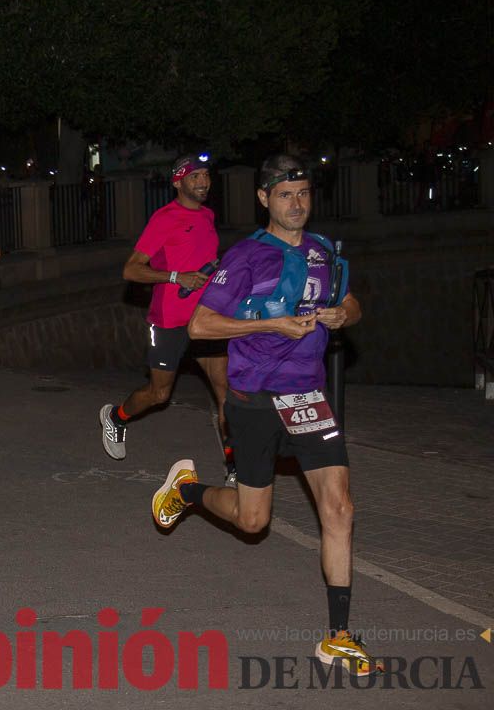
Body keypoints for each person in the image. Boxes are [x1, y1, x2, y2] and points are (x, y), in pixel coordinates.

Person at [152, 155, 377, 675]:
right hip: (253, 399)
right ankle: (186, 491)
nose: (296, 204)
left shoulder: (324, 252)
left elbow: (353, 302)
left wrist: (346, 314)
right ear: (264, 200)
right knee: (253, 522)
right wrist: (270, 327)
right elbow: (202, 326)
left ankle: (338, 637)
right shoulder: (247, 256)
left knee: (339, 507)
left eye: (302, 194)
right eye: (284, 195)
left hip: (307, 398)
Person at [98, 154, 234, 481]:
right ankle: (116, 417)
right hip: (169, 319)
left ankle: (235, 468)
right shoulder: (164, 218)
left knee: (227, 394)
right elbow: (131, 269)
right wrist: (177, 278)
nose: (203, 182)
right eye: (195, 176)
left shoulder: (208, 216)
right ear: (178, 181)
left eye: (206, 175)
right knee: (159, 395)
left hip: (206, 319)